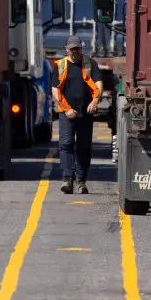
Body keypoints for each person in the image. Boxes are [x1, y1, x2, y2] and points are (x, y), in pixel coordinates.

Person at [50, 34, 102, 194]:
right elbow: (55, 90)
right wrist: (66, 109)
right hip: (67, 113)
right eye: (72, 49)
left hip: (86, 112)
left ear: (81, 47)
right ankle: (67, 179)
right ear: (66, 49)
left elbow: (99, 84)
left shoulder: (90, 64)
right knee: (66, 145)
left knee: (84, 147)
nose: (75, 52)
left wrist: (95, 101)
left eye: (77, 48)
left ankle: (81, 181)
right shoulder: (60, 65)